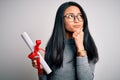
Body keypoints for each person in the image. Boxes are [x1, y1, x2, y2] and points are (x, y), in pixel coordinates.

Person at [31, 1, 99, 80]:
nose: (77, 20)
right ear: (61, 20)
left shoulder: (88, 45)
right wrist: (41, 69)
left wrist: (80, 47)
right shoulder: (52, 46)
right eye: (70, 16)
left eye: (80, 16)